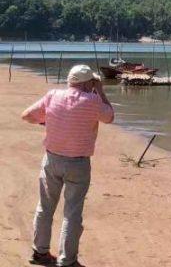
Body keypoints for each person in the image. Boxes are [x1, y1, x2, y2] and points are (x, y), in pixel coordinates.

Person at [22, 64, 114, 267]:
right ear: (88, 82)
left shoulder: (53, 95)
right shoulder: (93, 100)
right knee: (72, 213)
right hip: (78, 163)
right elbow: (109, 117)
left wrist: (48, 122)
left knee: (45, 208)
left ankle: (40, 253)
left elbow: (27, 115)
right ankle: (67, 260)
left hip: (52, 159)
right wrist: (100, 91)